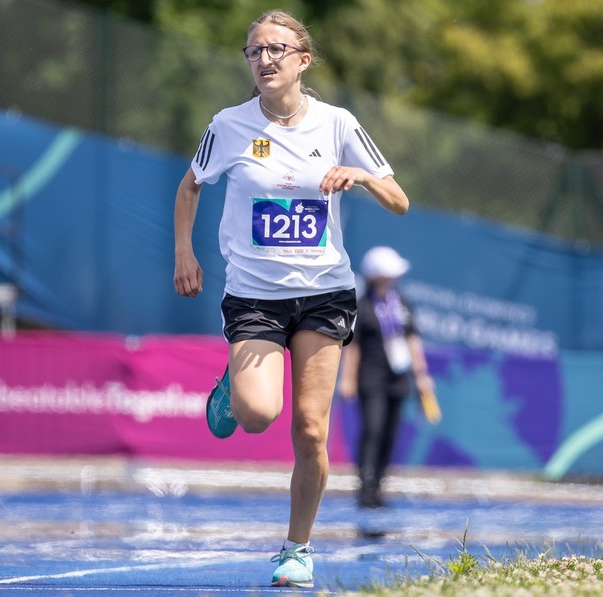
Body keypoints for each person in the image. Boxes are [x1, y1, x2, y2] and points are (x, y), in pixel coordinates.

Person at [172, 9, 410, 589]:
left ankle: (296, 549)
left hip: (325, 291)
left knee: (310, 427)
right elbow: (190, 186)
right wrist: (184, 253)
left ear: (303, 60)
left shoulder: (337, 123)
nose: (264, 59)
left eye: (277, 49)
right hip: (255, 295)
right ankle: (236, 386)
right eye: (254, 51)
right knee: (257, 416)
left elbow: (399, 200)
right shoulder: (228, 125)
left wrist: (358, 175)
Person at [337, 246, 436, 509]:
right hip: (370, 379)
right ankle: (365, 486)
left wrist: (422, 375)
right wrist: (347, 379)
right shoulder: (362, 306)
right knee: (372, 430)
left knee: (390, 434)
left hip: (398, 379)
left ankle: (379, 485)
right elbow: (353, 346)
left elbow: (412, 339)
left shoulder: (401, 303)